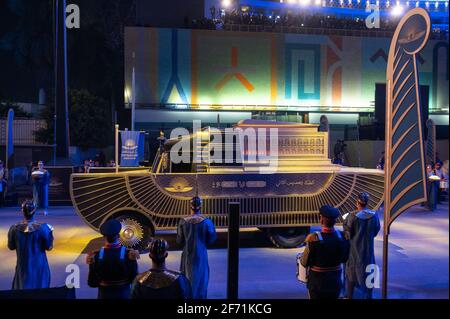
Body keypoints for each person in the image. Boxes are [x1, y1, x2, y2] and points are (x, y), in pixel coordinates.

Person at [300, 205, 350, 299]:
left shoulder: (314, 239)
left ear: (321, 220)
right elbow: (345, 258)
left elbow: (304, 262)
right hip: (335, 283)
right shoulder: (343, 237)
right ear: (334, 221)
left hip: (317, 285)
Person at [86, 219, 140, 299]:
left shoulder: (96, 255)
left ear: (104, 236)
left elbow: (92, 283)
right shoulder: (128, 254)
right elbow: (134, 280)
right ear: (118, 235)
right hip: (123, 294)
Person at [176, 196, 217, 299]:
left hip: (187, 254)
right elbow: (212, 239)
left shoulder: (183, 221)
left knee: (186, 278)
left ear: (190, 206)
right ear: (200, 206)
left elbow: (179, 240)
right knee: (201, 279)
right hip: (201, 253)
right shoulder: (207, 221)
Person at [8, 200, 54, 289]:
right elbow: (49, 247)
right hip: (39, 266)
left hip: (22, 266)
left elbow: (11, 246)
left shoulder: (14, 228)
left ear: (22, 211)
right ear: (34, 211)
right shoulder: (44, 228)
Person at [344, 192, 381, 299]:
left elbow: (347, 235)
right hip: (368, 253)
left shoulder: (352, 216)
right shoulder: (374, 216)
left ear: (357, 203)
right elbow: (375, 231)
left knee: (352, 278)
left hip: (355, 254)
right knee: (369, 279)